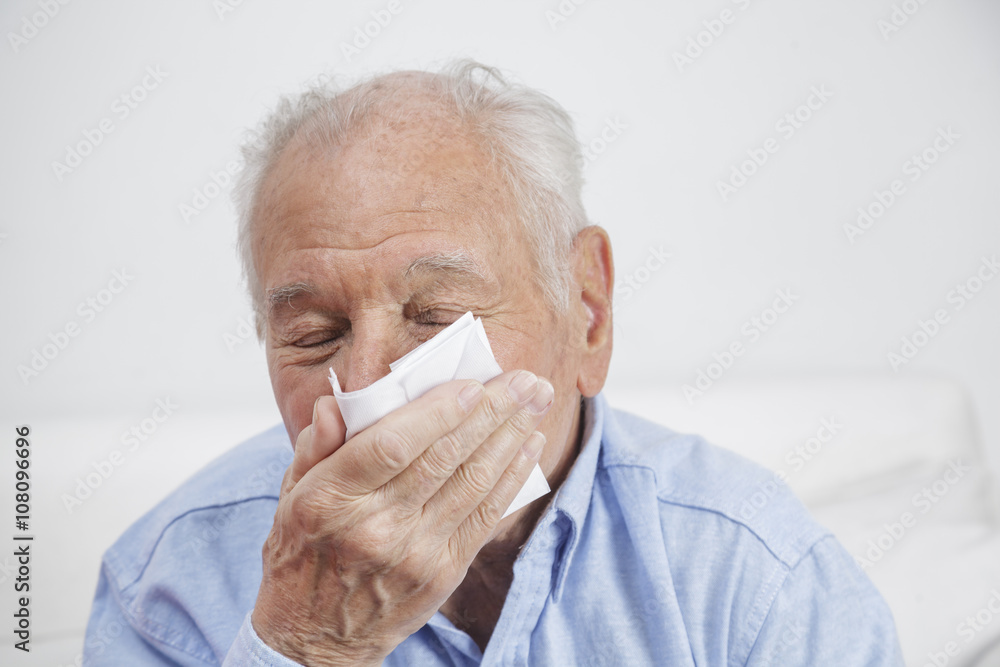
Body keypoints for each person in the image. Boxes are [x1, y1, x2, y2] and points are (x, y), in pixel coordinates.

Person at [84, 60, 904, 665]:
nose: (368, 381)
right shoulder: (161, 591)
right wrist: (301, 644)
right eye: (314, 332)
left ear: (586, 309)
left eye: (437, 316)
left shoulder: (753, 576)